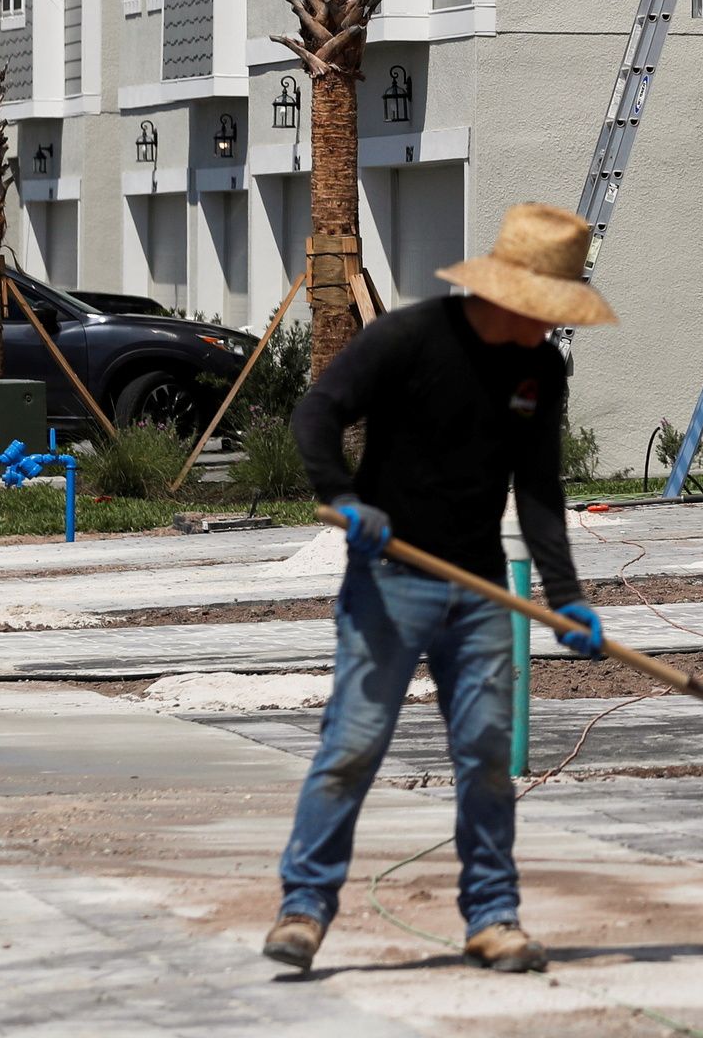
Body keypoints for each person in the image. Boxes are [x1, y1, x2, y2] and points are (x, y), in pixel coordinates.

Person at [265, 202, 618, 976]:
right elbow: (318, 411)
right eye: (547, 313)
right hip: (389, 582)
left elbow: (540, 493)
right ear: (507, 296)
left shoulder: (539, 371)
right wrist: (344, 495)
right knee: (353, 746)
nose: (554, 329)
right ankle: (304, 907)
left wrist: (566, 598)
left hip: (480, 591)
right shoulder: (410, 339)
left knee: (488, 754)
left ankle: (493, 917)